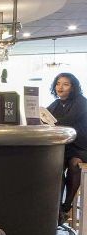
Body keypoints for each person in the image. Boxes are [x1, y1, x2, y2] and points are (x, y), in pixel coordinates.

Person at [47, 73, 87, 224]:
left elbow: (68, 120)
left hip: (81, 146)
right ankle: (56, 210)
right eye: (58, 83)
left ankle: (66, 206)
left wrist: (48, 122)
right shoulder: (56, 104)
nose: (60, 87)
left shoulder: (81, 101)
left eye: (65, 84)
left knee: (74, 163)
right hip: (65, 145)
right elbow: (43, 118)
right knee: (56, 167)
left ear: (73, 87)